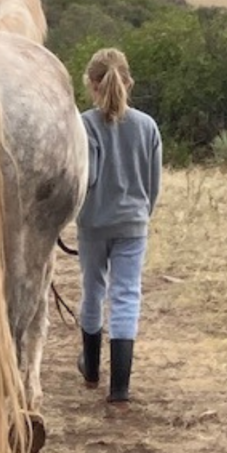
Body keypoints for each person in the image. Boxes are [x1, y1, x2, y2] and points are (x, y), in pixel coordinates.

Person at [75, 48, 162, 408]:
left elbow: (87, 178)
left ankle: (92, 368)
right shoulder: (147, 126)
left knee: (92, 290)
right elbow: (153, 183)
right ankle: (120, 386)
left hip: (94, 222)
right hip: (134, 223)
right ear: (128, 82)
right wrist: (143, 213)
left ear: (91, 85)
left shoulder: (84, 124)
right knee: (126, 294)